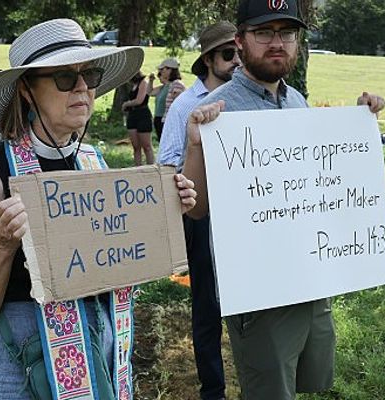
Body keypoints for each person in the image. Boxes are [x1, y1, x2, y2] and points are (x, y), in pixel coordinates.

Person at [0, 18, 197, 399]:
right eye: (65, 78)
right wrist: (1, 246)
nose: (82, 88)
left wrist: (164, 211)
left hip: (100, 350)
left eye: (90, 75)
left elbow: (116, 258)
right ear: (28, 92)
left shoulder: (93, 165)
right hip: (23, 368)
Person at [181, 1, 385, 399]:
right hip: (259, 291)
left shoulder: (298, 104)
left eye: (287, 33)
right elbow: (198, 208)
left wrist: (360, 123)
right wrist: (196, 148)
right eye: (264, 32)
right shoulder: (214, 112)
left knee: (307, 383)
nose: (277, 43)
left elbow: (320, 189)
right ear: (239, 41)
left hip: (311, 279)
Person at [157, 20, 242, 400]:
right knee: (207, 305)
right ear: (208, 60)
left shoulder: (249, 99)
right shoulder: (185, 107)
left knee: (248, 301)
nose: (236, 60)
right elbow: (167, 164)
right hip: (202, 217)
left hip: (248, 215)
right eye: (228, 54)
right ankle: (213, 390)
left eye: (239, 51)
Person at [121, 70, 154, 165]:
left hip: (143, 114)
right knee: (136, 146)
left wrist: (126, 104)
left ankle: (150, 167)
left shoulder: (143, 82)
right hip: (132, 114)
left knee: (146, 146)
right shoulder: (134, 85)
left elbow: (139, 100)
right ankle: (138, 167)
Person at [150, 58, 186, 142]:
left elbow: (180, 103)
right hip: (165, 120)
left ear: (170, 70)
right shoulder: (169, 85)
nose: (161, 72)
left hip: (171, 121)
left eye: (163, 69)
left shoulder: (177, 84)